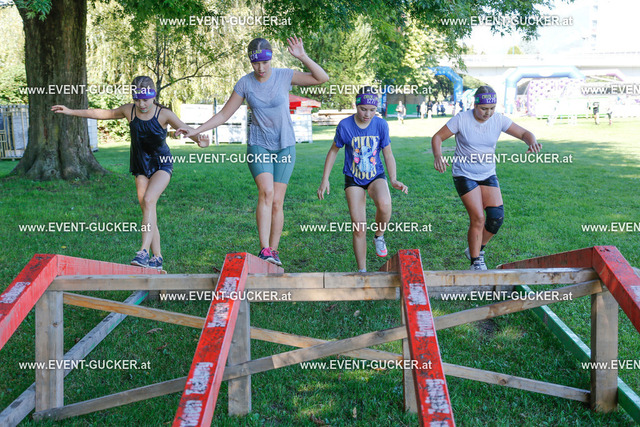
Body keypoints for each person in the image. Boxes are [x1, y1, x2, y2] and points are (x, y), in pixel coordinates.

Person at [176, 37, 328, 266]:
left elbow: (322, 78)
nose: (260, 68)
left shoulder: (284, 76)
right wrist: (194, 131)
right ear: (250, 61)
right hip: (259, 144)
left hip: (285, 144)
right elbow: (223, 115)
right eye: (255, 63)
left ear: (271, 59)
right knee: (267, 192)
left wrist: (302, 56)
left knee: (277, 201)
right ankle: (264, 249)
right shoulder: (245, 84)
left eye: (265, 62)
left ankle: (273, 251)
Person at [51, 76, 208, 271]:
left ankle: (143, 252)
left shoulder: (164, 114)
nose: (141, 104)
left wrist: (201, 141)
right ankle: (157, 257)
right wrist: (70, 111)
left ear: (153, 96)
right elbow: (101, 113)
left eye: (145, 100)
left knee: (149, 200)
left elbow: (188, 130)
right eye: (137, 99)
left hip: (162, 164)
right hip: (140, 165)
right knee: (148, 209)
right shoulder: (129, 111)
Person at [430, 86, 542, 270]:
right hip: (464, 173)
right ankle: (476, 261)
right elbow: (437, 137)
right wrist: (438, 156)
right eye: (483, 108)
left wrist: (532, 141)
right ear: (475, 105)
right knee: (478, 218)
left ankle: (475, 248)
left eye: (492, 108)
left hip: (488, 173)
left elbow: (524, 133)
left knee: (496, 218)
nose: (488, 113)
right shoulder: (461, 119)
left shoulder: (498, 119)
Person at [318, 89, 408, 272]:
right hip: (353, 178)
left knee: (385, 204)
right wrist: (325, 179)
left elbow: (388, 153)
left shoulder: (381, 125)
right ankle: (362, 271)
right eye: (363, 109)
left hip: (375, 175)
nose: (367, 114)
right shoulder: (345, 126)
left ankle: (379, 236)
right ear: (356, 106)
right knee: (359, 227)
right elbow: (333, 151)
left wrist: (393, 179)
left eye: (372, 110)